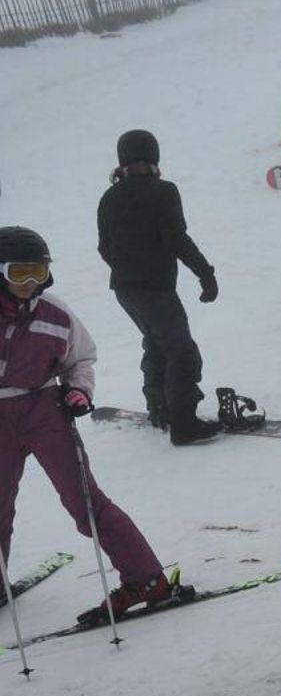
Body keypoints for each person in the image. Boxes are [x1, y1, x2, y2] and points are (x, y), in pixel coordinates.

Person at [0, 226, 181, 626]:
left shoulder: (56, 315)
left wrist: (78, 391)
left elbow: (82, 359)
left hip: (44, 410)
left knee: (84, 502)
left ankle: (146, 579)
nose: (31, 283)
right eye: (20, 273)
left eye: (39, 272)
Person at [96, 129, 223, 446]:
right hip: (155, 287)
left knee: (156, 342)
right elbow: (176, 238)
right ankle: (184, 424)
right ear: (154, 157)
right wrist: (205, 272)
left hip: (125, 289)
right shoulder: (163, 191)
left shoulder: (109, 197)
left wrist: (125, 268)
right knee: (182, 353)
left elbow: (103, 247)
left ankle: (160, 407)